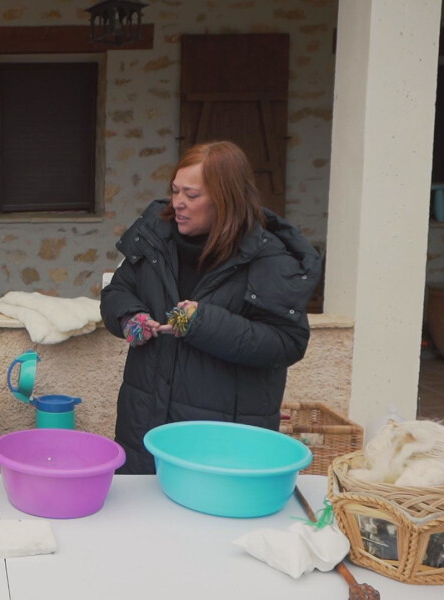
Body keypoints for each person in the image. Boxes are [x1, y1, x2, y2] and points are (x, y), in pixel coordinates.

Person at [100, 141, 322, 474]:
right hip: (144, 427)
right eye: (175, 191)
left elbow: (286, 342)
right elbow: (118, 290)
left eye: (191, 195)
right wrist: (129, 317)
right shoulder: (153, 237)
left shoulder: (268, 258)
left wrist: (201, 322)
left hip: (221, 446)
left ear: (225, 199)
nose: (178, 203)